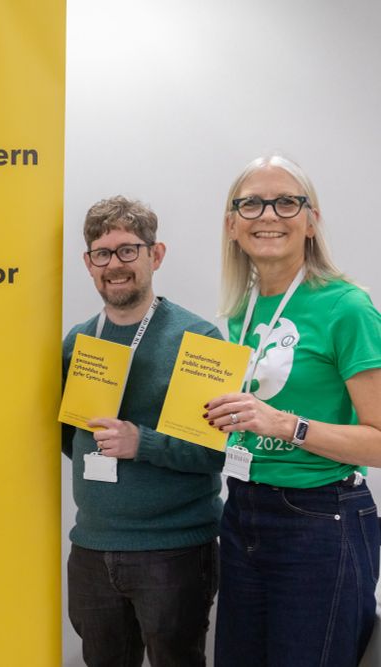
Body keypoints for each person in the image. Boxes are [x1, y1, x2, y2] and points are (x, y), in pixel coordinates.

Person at [206, 154, 381, 667]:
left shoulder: (347, 307)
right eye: (252, 203)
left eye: (286, 202)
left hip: (320, 520)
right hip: (242, 511)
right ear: (232, 224)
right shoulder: (240, 309)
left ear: (311, 220)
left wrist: (283, 424)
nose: (268, 215)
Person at [62, 196, 225, 667]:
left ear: (156, 255)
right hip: (92, 547)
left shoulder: (200, 340)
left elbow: (214, 452)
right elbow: (70, 438)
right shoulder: (78, 341)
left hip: (173, 553)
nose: (115, 264)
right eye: (102, 252)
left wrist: (143, 444)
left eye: (128, 250)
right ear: (88, 263)